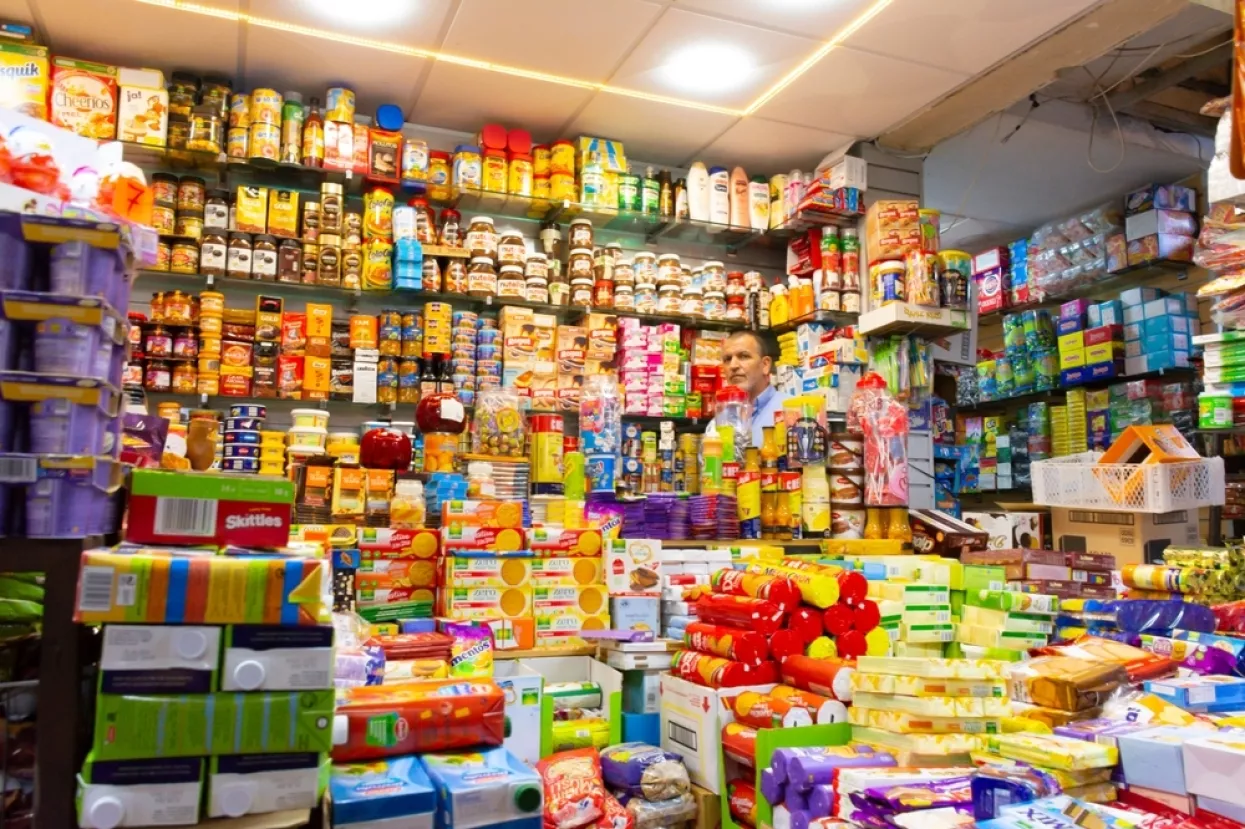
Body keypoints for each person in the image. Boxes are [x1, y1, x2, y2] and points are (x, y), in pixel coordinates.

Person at [717, 330, 787, 448]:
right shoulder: (721, 419)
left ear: (765, 365)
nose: (733, 366)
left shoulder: (791, 410)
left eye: (744, 356)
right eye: (727, 359)